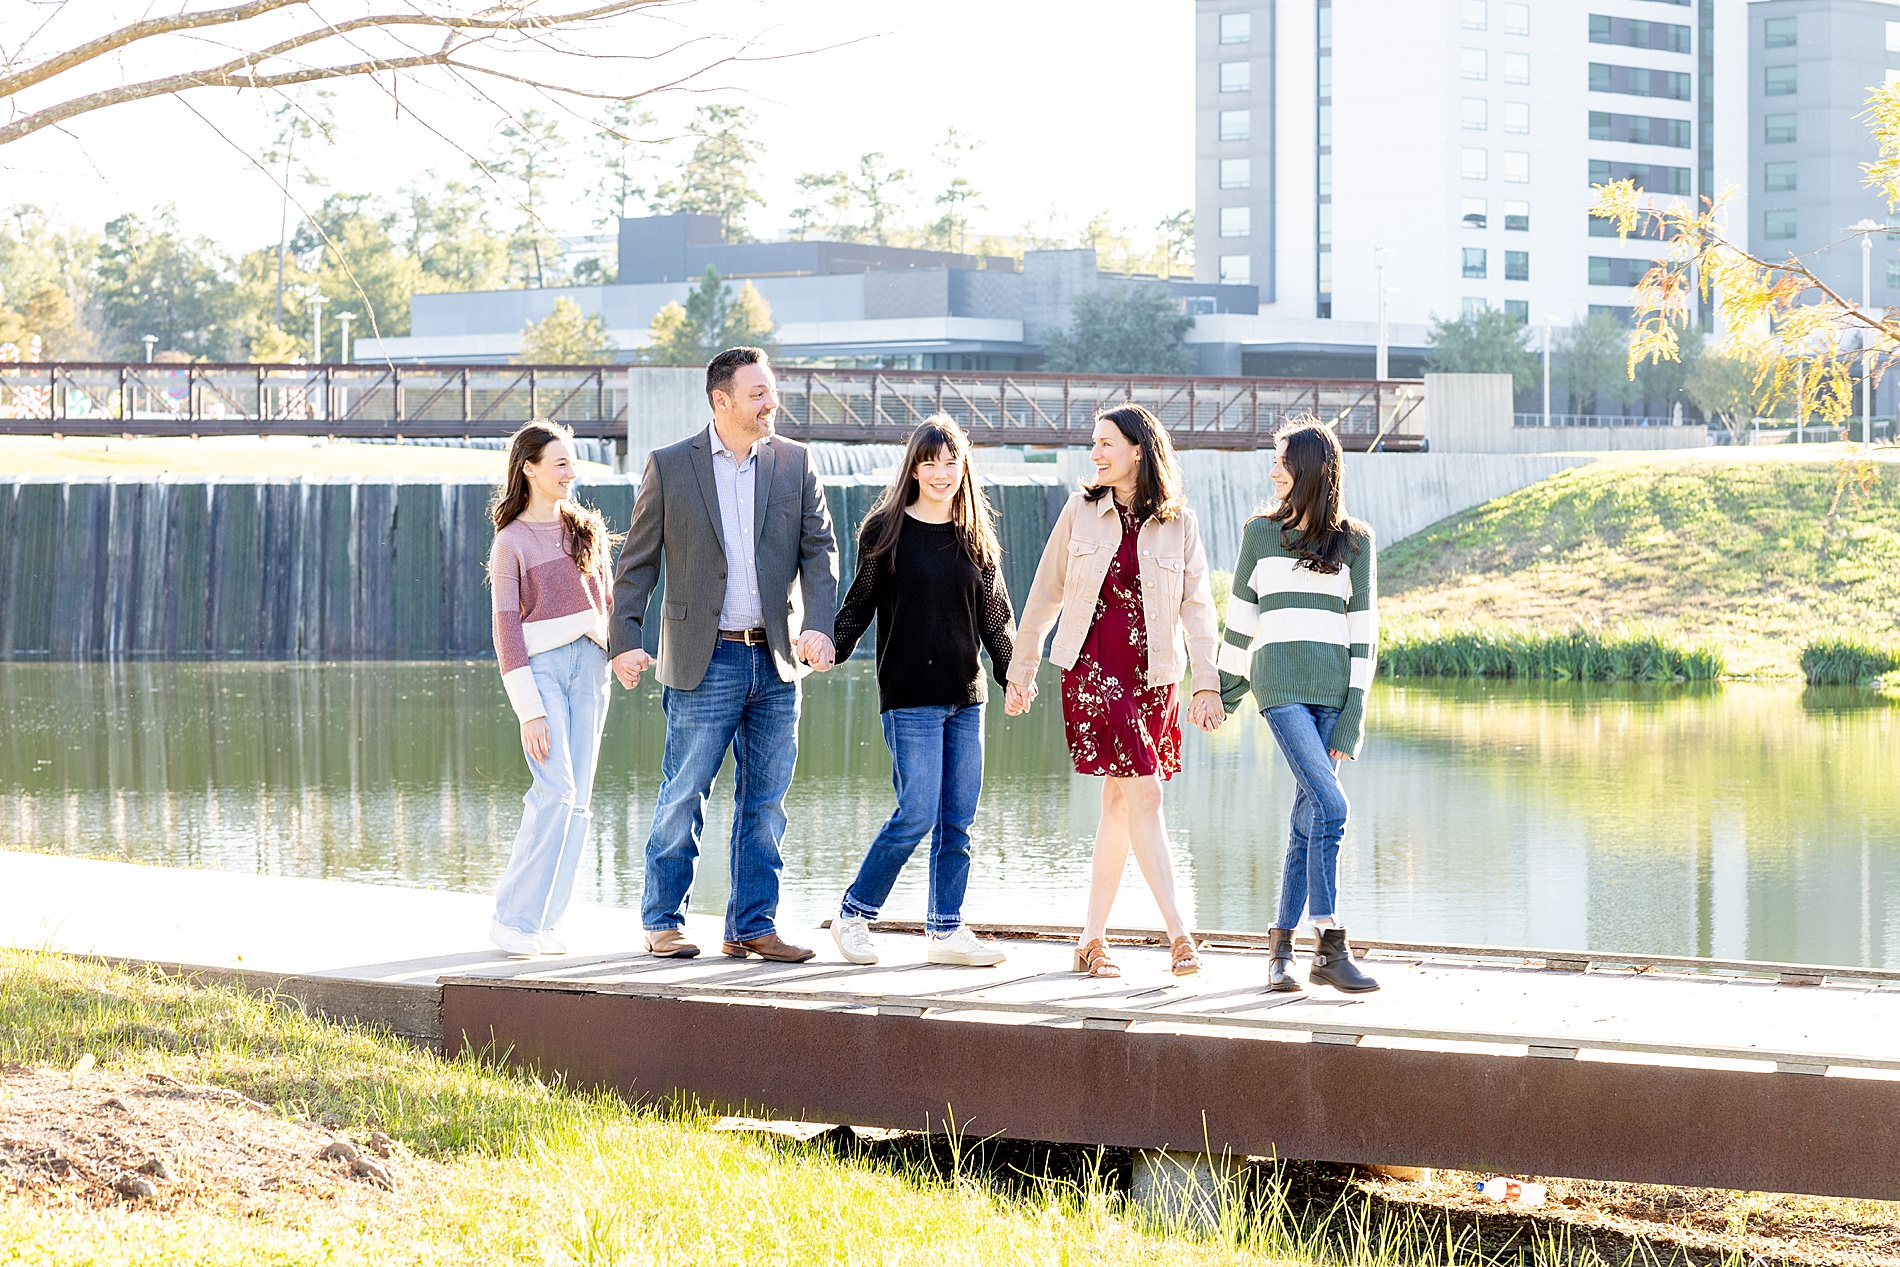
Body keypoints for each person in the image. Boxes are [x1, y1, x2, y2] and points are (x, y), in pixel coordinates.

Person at [608, 346, 840, 964]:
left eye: (771, 391)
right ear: (721, 401)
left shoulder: (795, 463)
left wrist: (820, 625)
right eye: (758, 393)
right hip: (701, 659)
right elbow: (635, 566)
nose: (771, 403)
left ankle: (752, 927)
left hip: (776, 661)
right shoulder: (670, 466)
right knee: (684, 793)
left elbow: (820, 551)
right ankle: (663, 921)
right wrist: (624, 641)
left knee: (766, 803)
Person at [1006, 404, 1224, 979]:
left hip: (1155, 677)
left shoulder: (1180, 523)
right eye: (1094, 443)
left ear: (1138, 451)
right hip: (1095, 670)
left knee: (1119, 804)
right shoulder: (1080, 511)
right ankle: (1180, 935)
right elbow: (1045, 591)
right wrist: (1022, 666)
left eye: (1107, 443)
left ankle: (1090, 941)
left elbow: (1198, 609)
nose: (1096, 453)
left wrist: (1207, 682)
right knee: (1146, 796)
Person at [829, 416, 1016, 969]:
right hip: (910, 696)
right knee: (916, 812)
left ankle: (946, 931)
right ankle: (852, 916)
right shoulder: (885, 531)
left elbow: (996, 619)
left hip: (965, 696)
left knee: (959, 818)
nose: (941, 472)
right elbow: (857, 608)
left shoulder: (975, 534)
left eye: (951, 461)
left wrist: (1013, 678)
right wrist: (828, 649)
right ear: (913, 466)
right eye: (929, 461)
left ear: (964, 466)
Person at [1217, 421, 1380, 994]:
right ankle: (1331, 944)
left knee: (1307, 821)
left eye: (1282, 460)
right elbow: (1241, 620)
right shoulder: (1260, 534)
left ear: (1311, 470)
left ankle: (1280, 950)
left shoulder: (1355, 542)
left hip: (1334, 698)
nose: (1273, 470)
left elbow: (1364, 638)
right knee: (1332, 808)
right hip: (1281, 692)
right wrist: (1221, 690)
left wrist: (1353, 714)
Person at [487, 420, 617, 958]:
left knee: (579, 801)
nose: (570, 471)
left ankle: (542, 923)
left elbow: (605, 605)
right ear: (530, 469)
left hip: (591, 667)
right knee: (554, 790)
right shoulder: (510, 541)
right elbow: (505, 628)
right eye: (560, 462)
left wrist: (620, 655)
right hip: (540, 670)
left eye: (573, 462)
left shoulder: (585, 528)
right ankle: (511, 919)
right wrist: (528, 710)